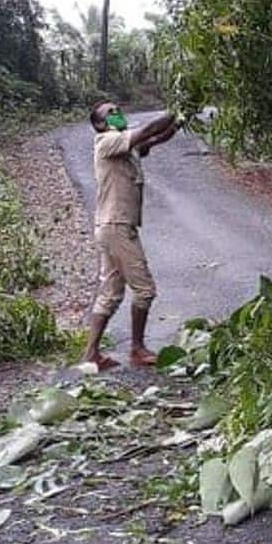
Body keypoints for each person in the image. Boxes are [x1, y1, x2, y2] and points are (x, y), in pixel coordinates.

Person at [83, 101, 179, 369]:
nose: (118, 115)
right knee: (145, 289)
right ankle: (137, 349)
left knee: (111, 293)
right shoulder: (107, 141)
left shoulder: (125, 146)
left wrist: (179, 120)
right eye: (110, 113)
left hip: (111, 226)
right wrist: (176, 107)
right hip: (116, 226)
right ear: (100, 124)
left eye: (117, 110)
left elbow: (156, 137)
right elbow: (148, 128)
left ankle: (91, 354)